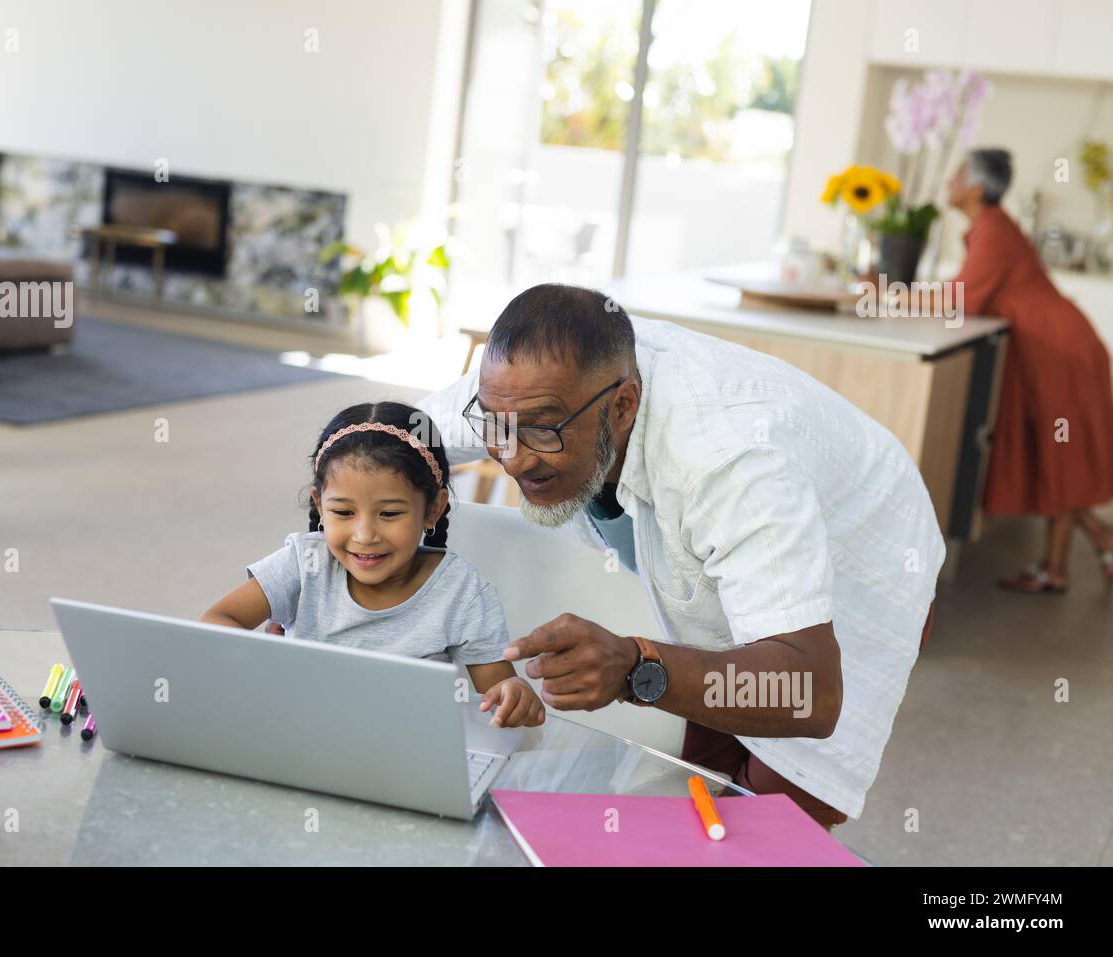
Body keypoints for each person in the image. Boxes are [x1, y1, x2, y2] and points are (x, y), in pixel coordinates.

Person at [418, 285, 942, 826]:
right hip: (742, 554)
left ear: (623, 406)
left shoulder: (728, 462)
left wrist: (636, 668)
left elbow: (809, 689)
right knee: (691, 790)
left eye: (542, 431)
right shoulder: (534, 381)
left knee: (768, 820)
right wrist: (334, 518)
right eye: (495, 427)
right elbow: (400, 435)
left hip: (861, 568)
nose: (510, 457)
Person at [202, 401, 545, 728]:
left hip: (408, 752)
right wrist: (265, 664)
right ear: (319, 505)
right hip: (295, 732)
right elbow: (216, 621)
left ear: (433, 510)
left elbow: (497, 694)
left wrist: (514, 697)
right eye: (343, 512)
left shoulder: (463, 591)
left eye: (390, 514)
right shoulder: (303, 562)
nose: (365, 535)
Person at [947, 147, 1113, 593]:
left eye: (957, 173)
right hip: (1053, 347)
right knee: (1057, 456)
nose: (949, 180)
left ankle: (1065, 561)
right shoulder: (990, 229)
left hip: (1061, 353)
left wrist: (891, 296)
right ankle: (1079, 551)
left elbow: (960, 299)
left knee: (1061, 456)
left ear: (976, 188)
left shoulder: (995, 231)